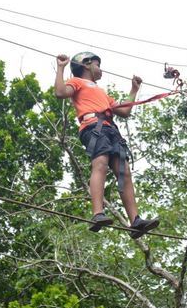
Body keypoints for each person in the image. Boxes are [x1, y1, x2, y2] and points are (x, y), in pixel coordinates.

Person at [54, 52, 159, 238]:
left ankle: (135, 220)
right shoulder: (77, 82)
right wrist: (61, 67)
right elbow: (60, 92)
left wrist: (134, 90)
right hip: (94, 127)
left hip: (111, 129)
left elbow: (125, 111)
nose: (100, 68)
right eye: (97, 64)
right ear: (86, 64)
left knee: (124, 171)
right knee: (100, 164)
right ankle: (97, 213)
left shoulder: (102, 92)